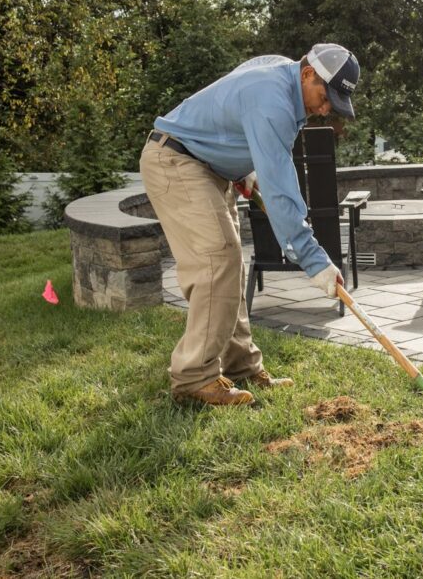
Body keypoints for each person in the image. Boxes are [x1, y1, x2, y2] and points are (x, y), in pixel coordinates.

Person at [139, 43, 360, 407]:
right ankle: (194, 378)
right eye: (325, 97)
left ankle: (240, 365)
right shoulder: (273, 99)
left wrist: (244, 167)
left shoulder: (279, 75)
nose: (325, 109)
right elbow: (282, 190)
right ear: (307, 74)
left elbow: (239, 99)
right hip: (176, 161)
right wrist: (314, 260)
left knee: (230, 266)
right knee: (217, 261)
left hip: (208, 167)